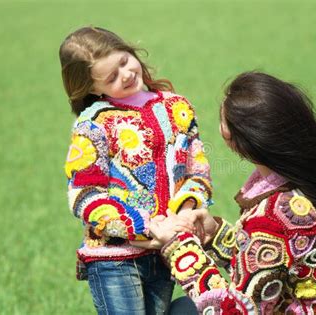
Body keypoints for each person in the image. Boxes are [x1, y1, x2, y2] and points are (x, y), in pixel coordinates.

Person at [140, 71, 316, 314]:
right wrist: (215, 235)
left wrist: (178, 247)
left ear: (236, 139)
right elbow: (274, 263)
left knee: (181, 312)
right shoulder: (311, 182)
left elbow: (235, 311)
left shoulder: (274, 216)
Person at [59, 26, 212, 315]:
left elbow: (197, 167)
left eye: (124, 61)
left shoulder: (176, 108)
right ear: (93, 88)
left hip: (164, 251)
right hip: (114, 258)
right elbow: (85, 195)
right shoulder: (93, 126)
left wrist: (187, 211)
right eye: (111, 77)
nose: (126, 74)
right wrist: (143, 227)